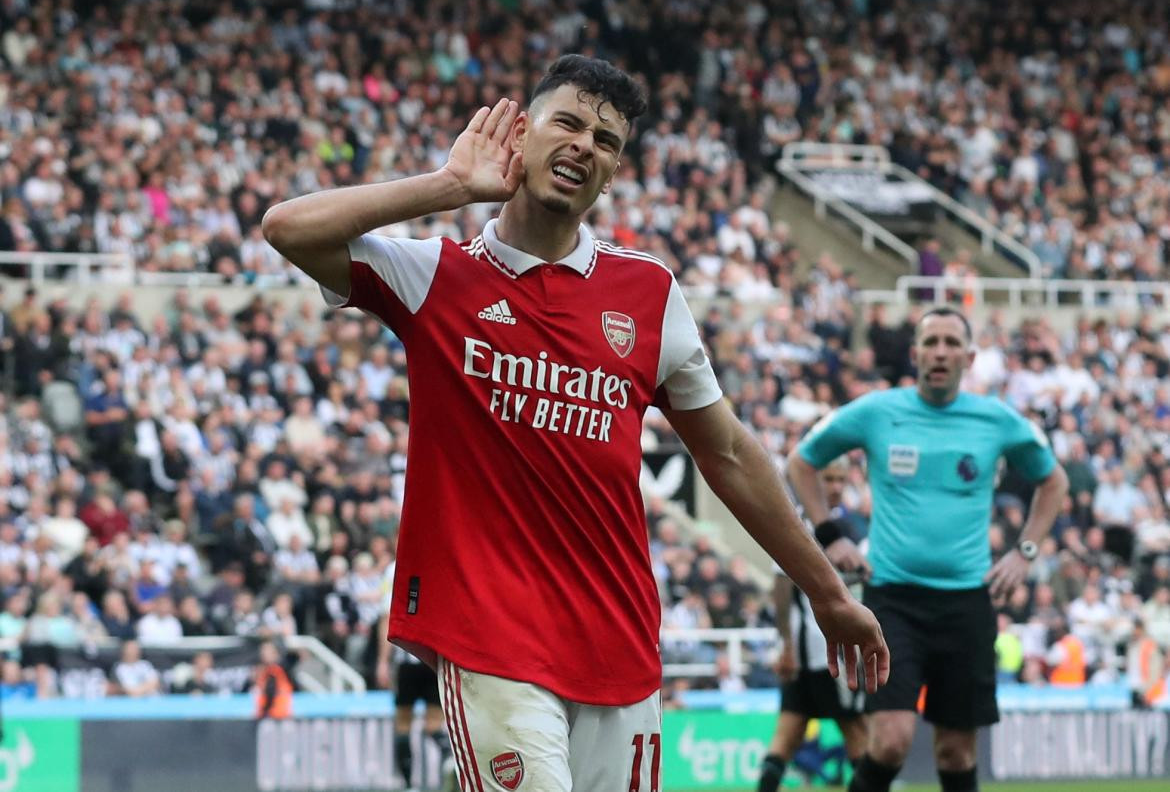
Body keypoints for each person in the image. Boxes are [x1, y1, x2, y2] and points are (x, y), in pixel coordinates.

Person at [264, 54, 887, 790]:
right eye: (567, 123)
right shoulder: (435, 274)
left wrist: (828, 593)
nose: (584, 145)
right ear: (520, 135)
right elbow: (288, 228)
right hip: (487, 631)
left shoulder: (648, 292)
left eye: (606, 139)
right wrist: (450, 186)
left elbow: (726, 452)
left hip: (617, 641)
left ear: (614, 171)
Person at [788, 307, 1069, 792]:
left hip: (967, 601)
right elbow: (801, 462)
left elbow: (1053, 479)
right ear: (915, 354)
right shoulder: (878, 411)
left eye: (951, 343)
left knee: (956, 750)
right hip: (893, 601)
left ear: (970, 356)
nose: (941, 352)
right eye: (932, 342)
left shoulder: (995, 420)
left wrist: (1025, 550)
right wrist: (832, 535)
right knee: (892, 740)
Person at [757, 459, 868, 792]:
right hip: (830, 654)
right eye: (827, 478)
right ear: (812, 480)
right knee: (856, 732)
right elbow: (780, 587)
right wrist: (787, 645)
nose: (834, 486)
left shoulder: (834, 526)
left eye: (839, 479)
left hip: (812, 653)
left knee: (787, 734)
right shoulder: (831, 530)